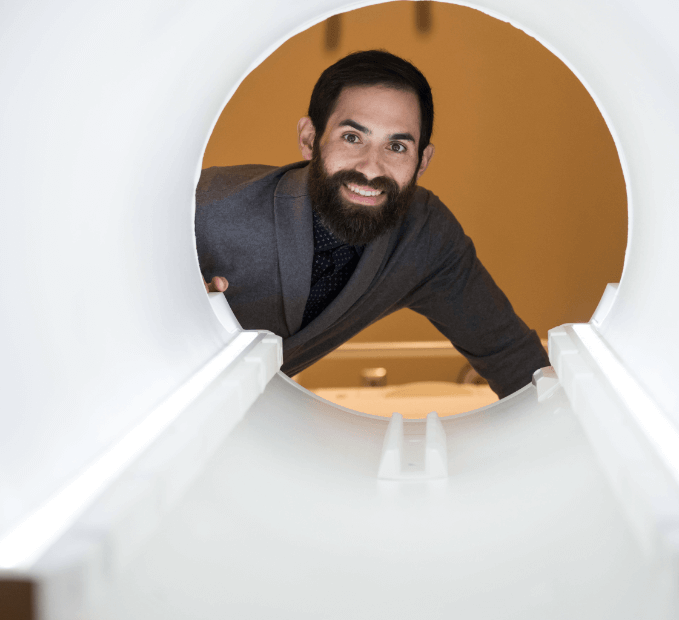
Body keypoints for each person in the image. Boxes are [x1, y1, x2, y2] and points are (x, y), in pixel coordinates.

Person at [195, 49, 548, 399]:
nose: (371, 168)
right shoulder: (204, 208)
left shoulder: (425, 237)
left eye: (396, 147)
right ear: (309, 140)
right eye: (352, 138)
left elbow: (512, 358)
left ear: (422, 161)